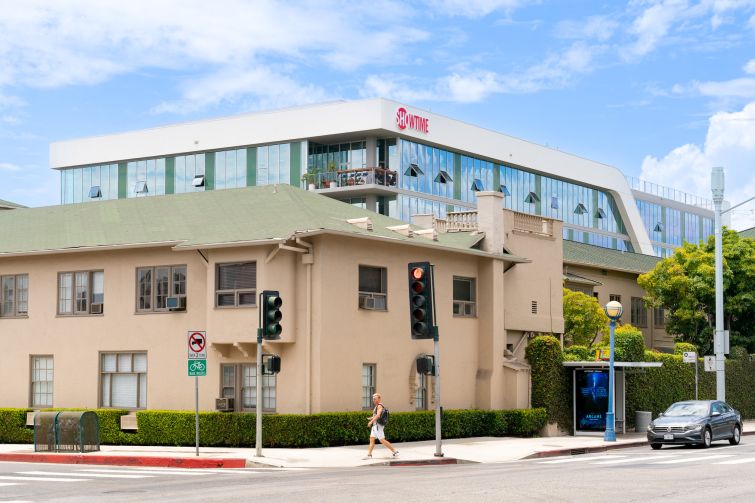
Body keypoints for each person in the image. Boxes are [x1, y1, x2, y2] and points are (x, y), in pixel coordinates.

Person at [364, 392, 399, 459]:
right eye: (373, 399)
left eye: (375, 399)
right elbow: (375, 415)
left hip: (378, 426)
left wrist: (371, 422)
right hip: (375, 426)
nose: (373, 400)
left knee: (382, 440)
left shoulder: (380, 406)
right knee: (372, 439)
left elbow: (378, 415)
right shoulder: (377, 406)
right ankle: (369, 454)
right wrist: (371, 418)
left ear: (379, 399)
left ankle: (395, 452)